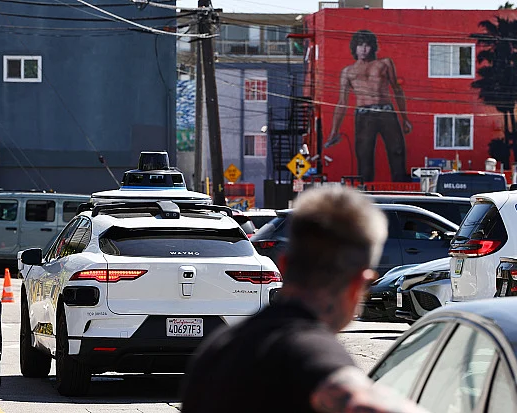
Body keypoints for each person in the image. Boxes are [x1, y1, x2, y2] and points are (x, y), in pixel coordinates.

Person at [181, 186, 427, 413]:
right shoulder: (312, 354)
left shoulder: (215, 353)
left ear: (284, 265)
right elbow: (357, 398)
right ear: (359, 283)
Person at [325, 29, 412, 182]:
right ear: (355, 48)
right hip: (364, 115)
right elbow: (342, 102)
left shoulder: (384, 63)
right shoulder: (348, 71)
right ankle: (364, 194)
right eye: (360, 45)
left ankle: (402, 192)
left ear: (372, 47)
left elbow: (397, 89)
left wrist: (405, 118)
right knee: (364, 156)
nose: (364, 49)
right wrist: (334, 130)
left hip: (386, 112)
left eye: (367, 45)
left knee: (397, 151)